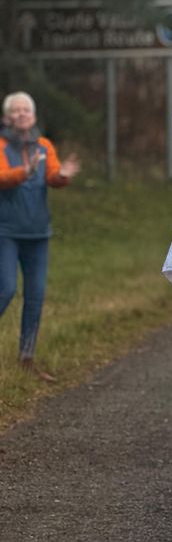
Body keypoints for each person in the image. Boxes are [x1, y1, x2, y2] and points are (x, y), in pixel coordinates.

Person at [0, 92, 80, 381]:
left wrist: (64, 175)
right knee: (6, 289)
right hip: (6, 231)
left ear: (33, 116)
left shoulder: (45, 145)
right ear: (7, 116)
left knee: (36, 295)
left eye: (26, 110)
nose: (21, 114)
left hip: (37, 233)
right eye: (16, 110)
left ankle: (27, 356)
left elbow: (53, 177)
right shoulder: (1, 144)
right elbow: (2, 177)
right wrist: (25, 171)